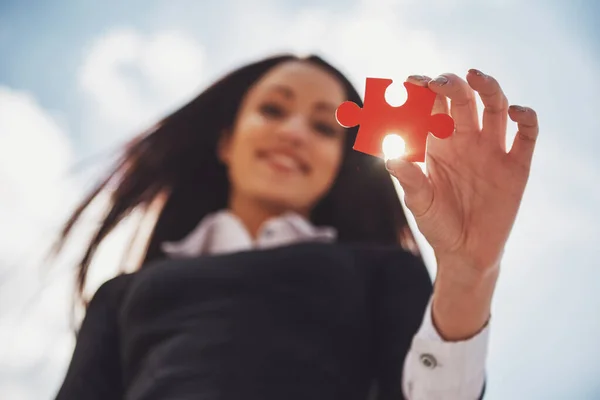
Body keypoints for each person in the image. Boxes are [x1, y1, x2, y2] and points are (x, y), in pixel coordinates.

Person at [50, 53, 539, 400]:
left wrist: (469, 273)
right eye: (273, 109)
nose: (293, 132)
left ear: (339, 162)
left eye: (325, 127)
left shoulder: (380, 269)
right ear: (226, 142)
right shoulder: (122, 295)